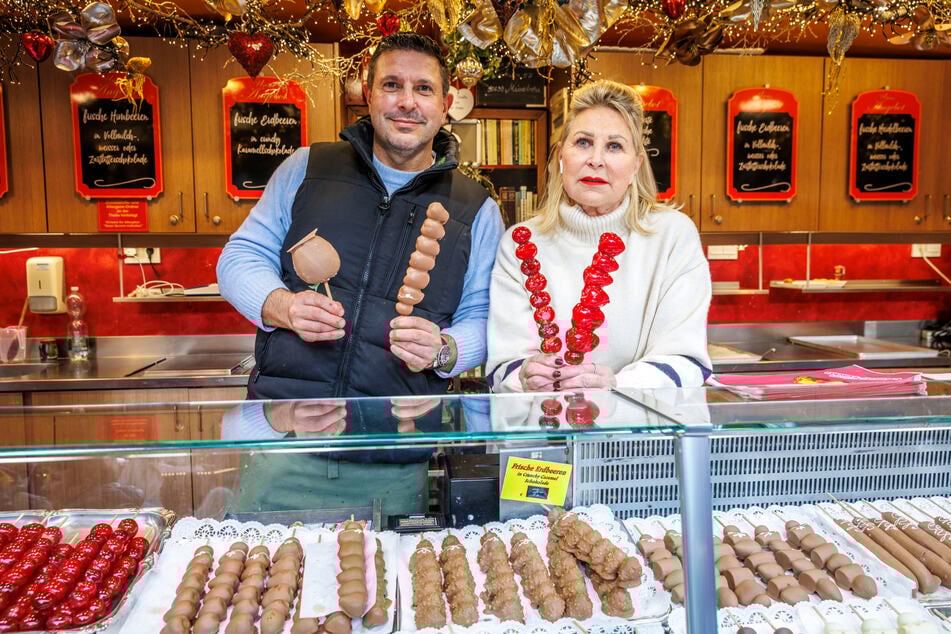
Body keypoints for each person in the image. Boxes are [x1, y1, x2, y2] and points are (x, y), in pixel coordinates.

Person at [217, 33, 504, 399]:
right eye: (391, 85)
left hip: (401, 434)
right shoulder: (307, 167)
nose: (407, 102)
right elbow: (239, 258)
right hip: (285, 424)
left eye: (423, 89)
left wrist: (446, 349)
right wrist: (283, 307)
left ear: (445, 104)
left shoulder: (476, 209)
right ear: (368, 95)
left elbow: (485, 315)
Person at [486, 80, 711, 393]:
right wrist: (524, 376)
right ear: (560, 158)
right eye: (582, 142)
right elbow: (503, 366)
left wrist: (616, 384)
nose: (596, 159)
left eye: (614, 146)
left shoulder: (673, 236)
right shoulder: (520, 243)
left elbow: (686, 359)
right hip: (543, 433)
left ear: (636, 166)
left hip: (639, 436)